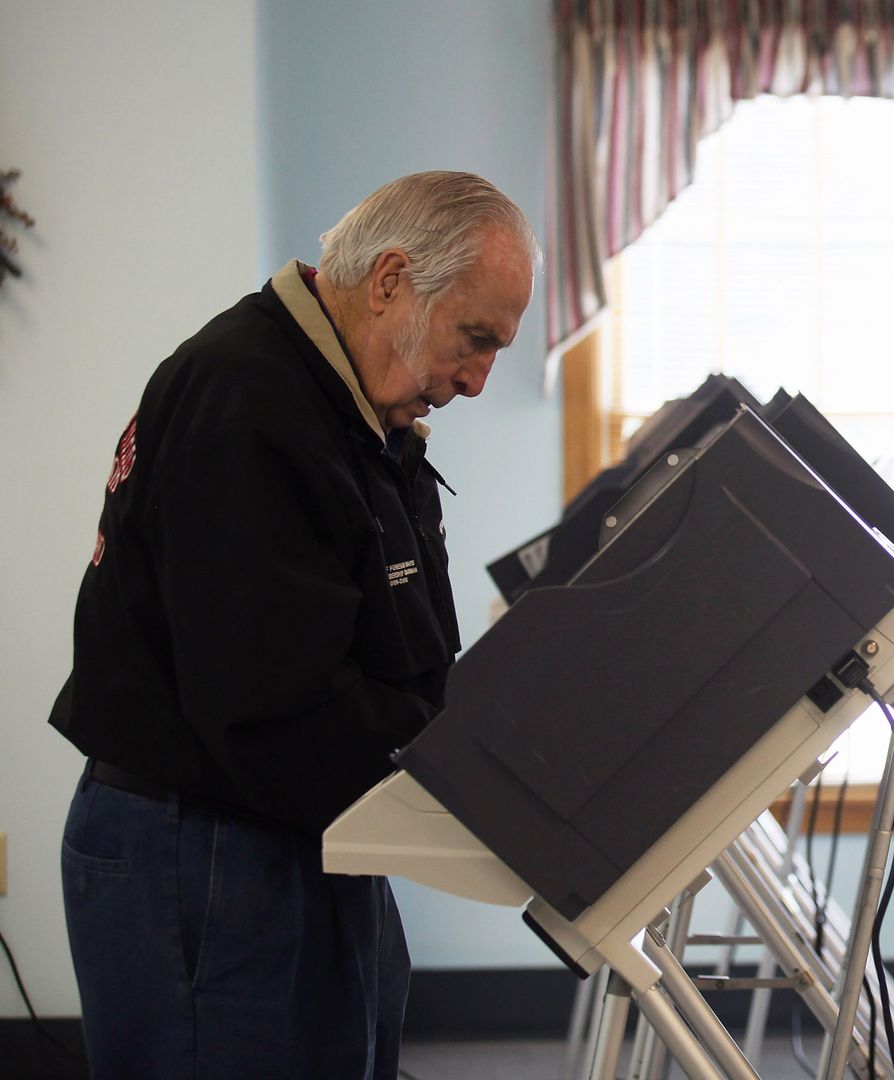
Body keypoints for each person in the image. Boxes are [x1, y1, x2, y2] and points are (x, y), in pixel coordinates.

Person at [50, 171, 537, 1077]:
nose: (477, 380)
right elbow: (274, 702)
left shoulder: (352, 404)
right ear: (391, 280)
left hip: (301, 831)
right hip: (206, 847)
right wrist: (480, 774)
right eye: (476, 340)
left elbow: (399, 645)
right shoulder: (244, 397)